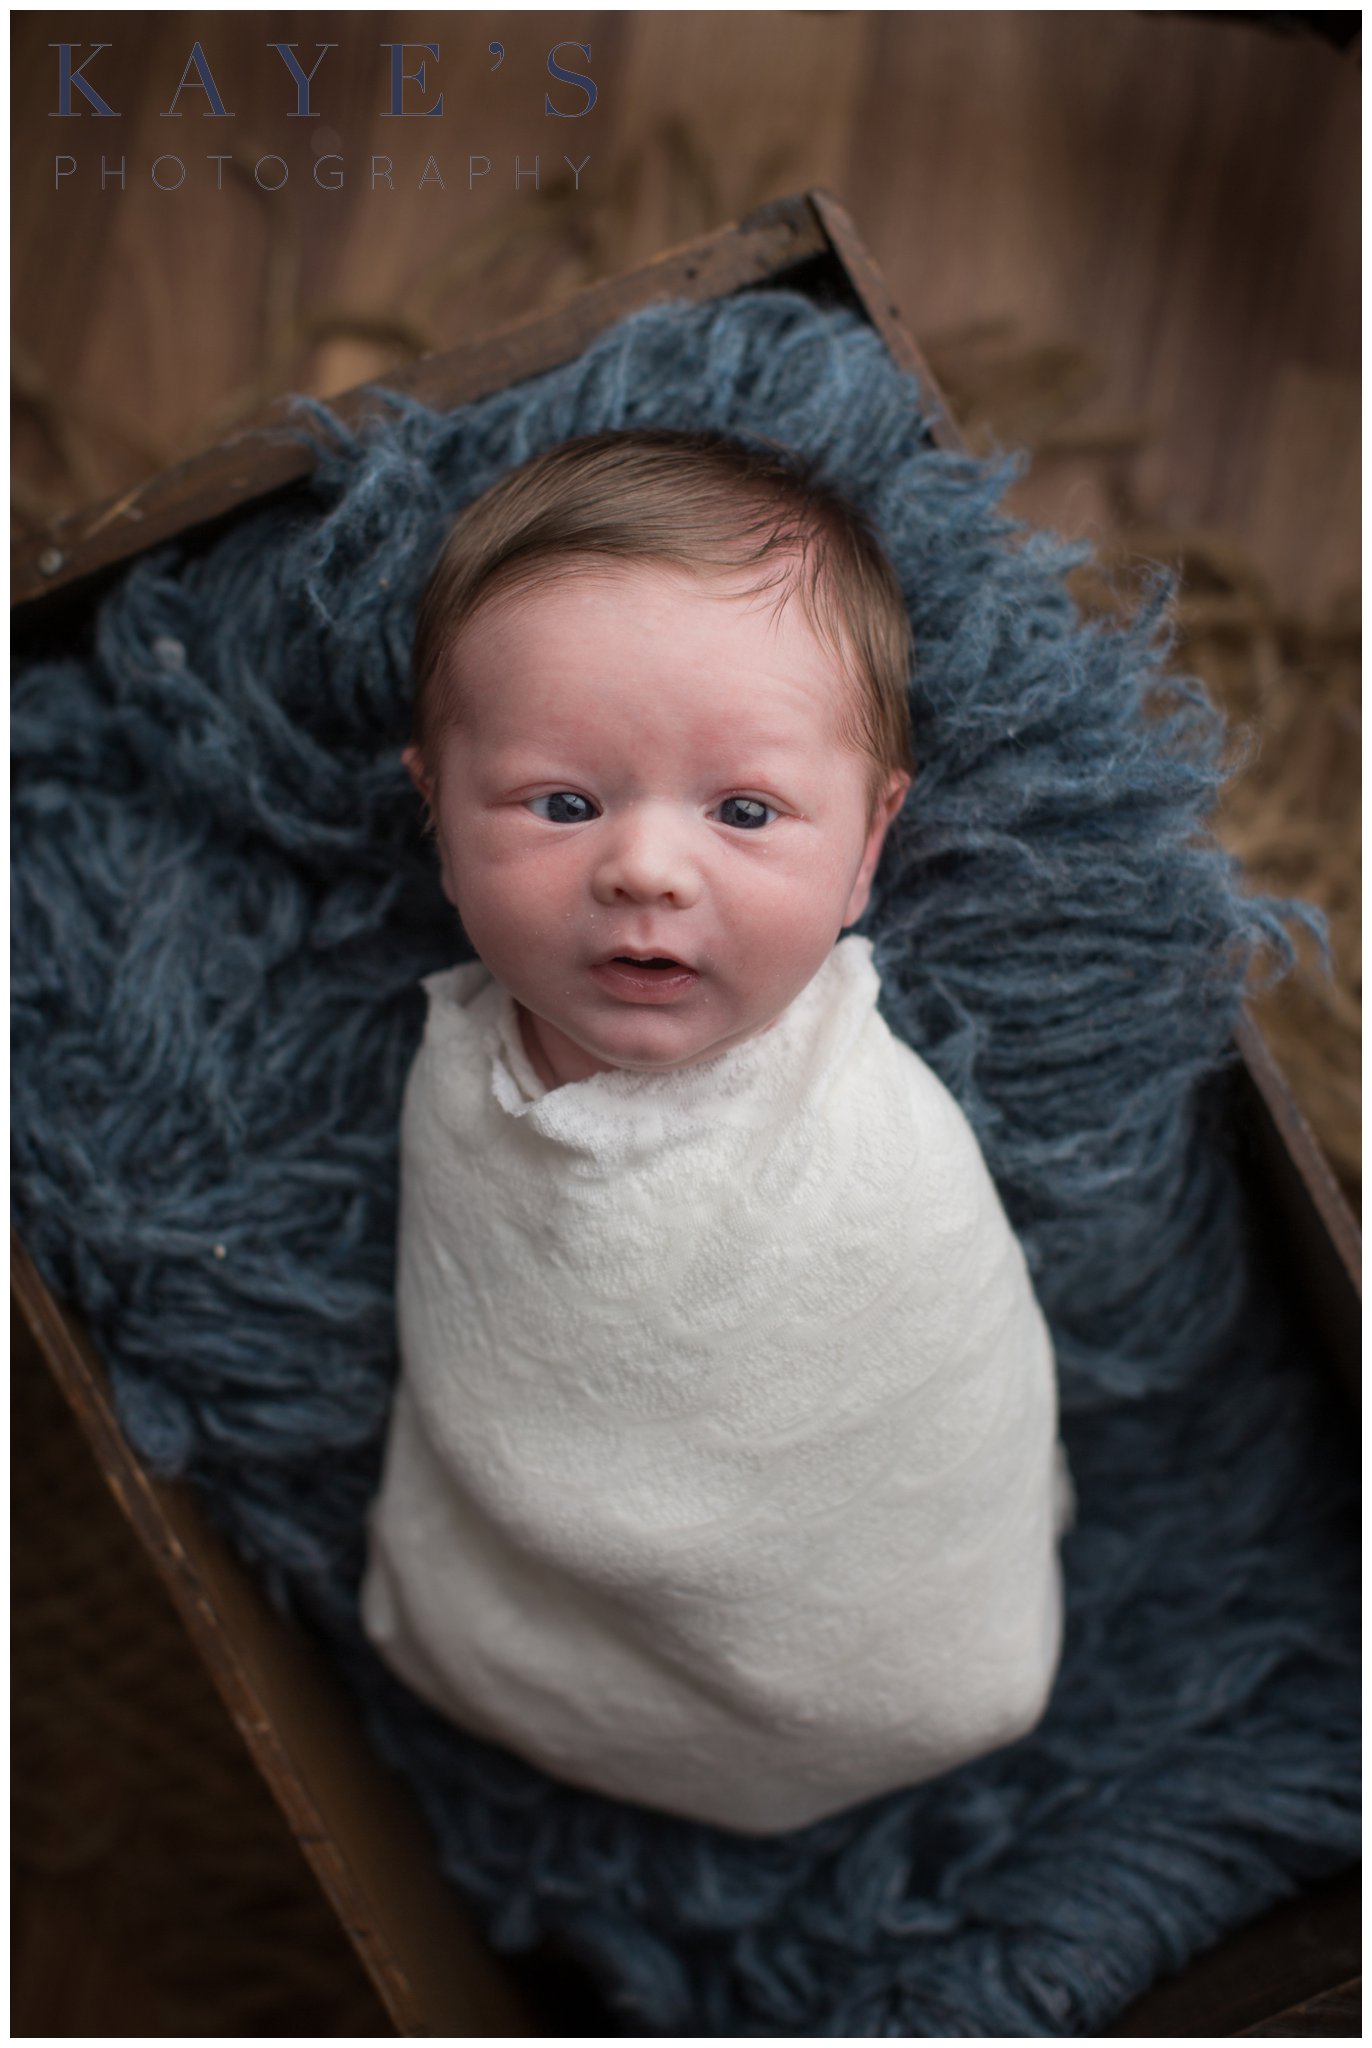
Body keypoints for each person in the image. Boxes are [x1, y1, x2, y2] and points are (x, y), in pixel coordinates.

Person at [361, 429, 1071, 1834]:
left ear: (868, 849)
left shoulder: (878, 1151)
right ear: (435, 812)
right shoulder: (457, 1071)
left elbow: (941, 1405)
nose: (643, 867)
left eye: (745, 812)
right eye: (561, 803)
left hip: (889, 1649)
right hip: (533, 1624)